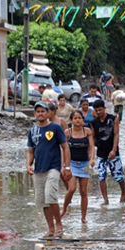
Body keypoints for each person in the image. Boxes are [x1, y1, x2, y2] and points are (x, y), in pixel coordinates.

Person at [26, 101, 71, 238]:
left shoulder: (55, 128)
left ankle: (58, 224)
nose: (40, 113)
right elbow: (30, 151)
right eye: (38, 111)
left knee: (51, 196)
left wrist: (67, 167)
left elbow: (65, 147)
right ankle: (50, 230)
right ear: (34, 114)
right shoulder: (32, 131)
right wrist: (28, 164)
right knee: (43, 201)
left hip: (54, 167)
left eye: (43, 111)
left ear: (48, 113)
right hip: (38, 169)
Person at [61, 110, 95, 223]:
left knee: (84, 191)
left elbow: (91, 147)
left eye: (79, 118)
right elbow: (63, 150)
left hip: (85, 164)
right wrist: (63, 166)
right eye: (75, 118)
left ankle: (83, 217)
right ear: (71, 120)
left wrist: (92, 159)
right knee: (72, 189)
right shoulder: (67, 132)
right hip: (72, 164)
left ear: (82, 119)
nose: (77, 120)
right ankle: (64, 209)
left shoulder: (87, 131)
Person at [91, 100, 125, 205]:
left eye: (100, 110)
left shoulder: (113, 119)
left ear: (104, 108)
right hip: (101, 153)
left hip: (113, 151)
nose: (99, 112)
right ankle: (105, 199)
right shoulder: (93, 122)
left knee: (119, 176)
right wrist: (91, 153)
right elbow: (92, 138)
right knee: (101, 176)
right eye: (96, 111)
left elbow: (116, 135)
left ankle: (123, 193)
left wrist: (114, 150)